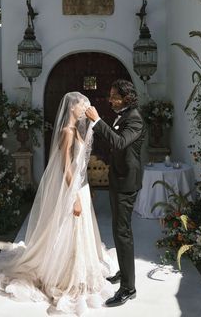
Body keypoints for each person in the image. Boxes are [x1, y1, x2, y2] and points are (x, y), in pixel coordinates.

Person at [0, 92, 116, 316]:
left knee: (80, 233)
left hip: (81, 188)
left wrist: (87, 189)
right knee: (68, 231)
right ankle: (65, 275)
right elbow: (65, 167)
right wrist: (75, 196)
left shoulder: (77, 130)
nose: (84, 109)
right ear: (71, 107)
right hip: (73, 191)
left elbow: (80, 166)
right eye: (82, 105)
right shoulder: (67, 132)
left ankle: (80, 270)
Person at [85, 79, 146, 307]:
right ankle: (124, 272)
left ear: (127, 98)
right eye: (111, 95)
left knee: (122, 232)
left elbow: (119, 142)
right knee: (118, 229)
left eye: (114, 96)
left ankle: (129, 288)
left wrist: (97, 121)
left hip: (126, 183)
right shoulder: (123, 114)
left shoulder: (135, 118)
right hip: (118, 178)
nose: (110, 100)